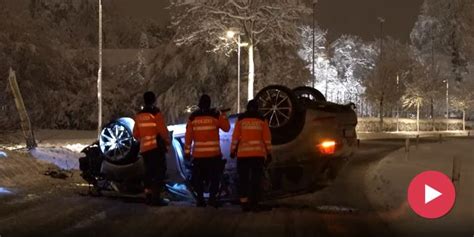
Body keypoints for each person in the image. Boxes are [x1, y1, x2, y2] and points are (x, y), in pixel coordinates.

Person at [184, 94, 230, 207]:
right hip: (213, 155)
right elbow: (226, 128)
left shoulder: (193, 117)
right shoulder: (215, 115)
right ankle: (212, 199)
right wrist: (223, 115)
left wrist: (187, 152)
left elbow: (188, 136)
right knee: (215, 178)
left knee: (198, 179)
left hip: (198, 156)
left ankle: (200, 200)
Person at [230, 99, 272, 212]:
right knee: (256, 180)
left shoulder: (241, 119)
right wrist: (269, 153)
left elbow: (235, 137)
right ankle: (254, 203)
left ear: (247, 108)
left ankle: (244, 203)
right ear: (257, 108)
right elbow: (267, 138)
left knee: (243, 179)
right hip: (257, 155)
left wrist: (232, 151)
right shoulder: (262, 120)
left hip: (243, 155)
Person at [133, 91, 170, 206]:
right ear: (154, 100)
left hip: (145, 149)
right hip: (156, 148)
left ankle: (148, 196)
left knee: (148, 173)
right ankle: (156, 198)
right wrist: (167, 142)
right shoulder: (156, 113)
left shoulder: (139, 115)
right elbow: (162, 131)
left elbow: (135, 133)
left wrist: (144, 139)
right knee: (159, 172)